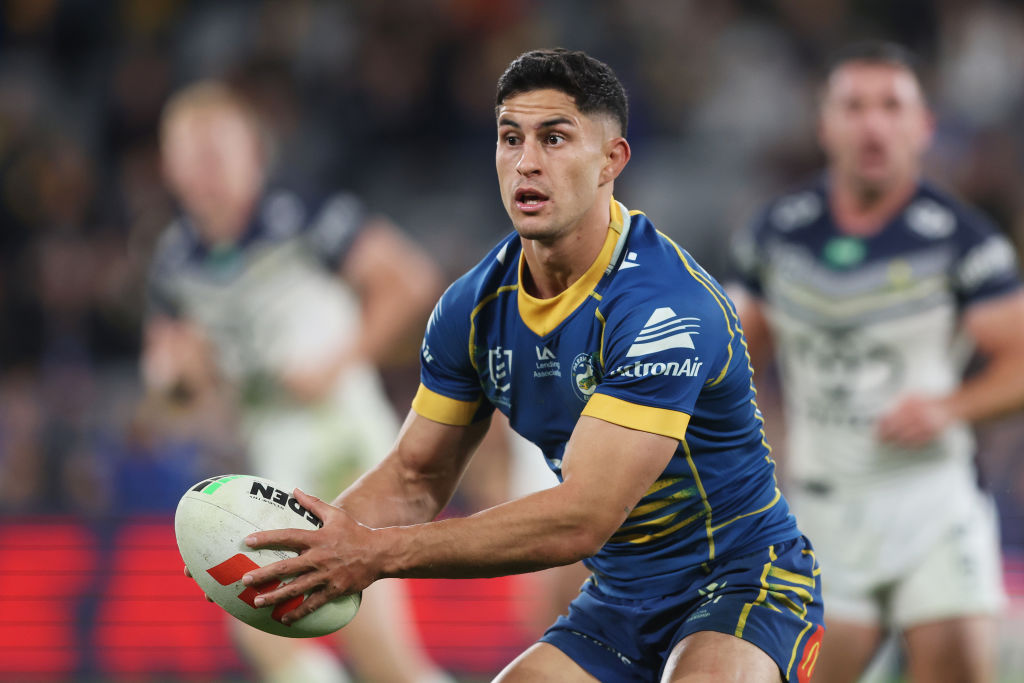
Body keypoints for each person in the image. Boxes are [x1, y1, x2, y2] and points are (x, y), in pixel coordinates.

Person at [237, 48, 824, 683]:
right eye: (510, 138)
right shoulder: (472, 307)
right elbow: (415, 476)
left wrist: (376, 554)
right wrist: (310, 546)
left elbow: (582, 517)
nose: (526, 162)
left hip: (744, 582)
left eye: (554, 138)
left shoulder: (664, 307)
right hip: (621, 599)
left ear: (611, 162)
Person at [729, 42, 1024, 683]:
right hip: (823, 510)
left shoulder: (962, 240)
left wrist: (950, 408)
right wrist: (761, 435)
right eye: (854, 106)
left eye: (892, 106)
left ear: (923, 127)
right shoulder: (776, 235)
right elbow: (734, 358)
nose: (873, 124)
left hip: (932, 502)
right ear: (825, 124)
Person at [145, 81, 451, 683]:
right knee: (261, 627)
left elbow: (410, 280)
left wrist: (340, 359)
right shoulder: (175, 259)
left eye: (216, 152)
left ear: (252, 153)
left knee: (369, 643)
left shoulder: (304, 214)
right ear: (169, 166)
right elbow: (170, 379)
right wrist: (178, 379)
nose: (205, 172)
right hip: (273, 457)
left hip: (344, 439)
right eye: (190, 155)